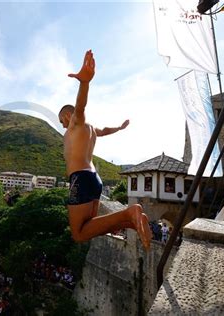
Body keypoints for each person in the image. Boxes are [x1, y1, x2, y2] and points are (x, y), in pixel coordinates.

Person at [59, 50, 152, 250]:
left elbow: (80, 108)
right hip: (94, 179)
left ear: (67, 116)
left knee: (78, 234)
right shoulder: (90, 129)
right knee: (89, 227)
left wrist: (84, 83)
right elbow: (104, 131)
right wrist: (119, 128)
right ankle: (131, 221)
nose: (62, 126)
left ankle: (129, 213)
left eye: (61, 122)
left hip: (80, 179)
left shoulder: (75, 123)